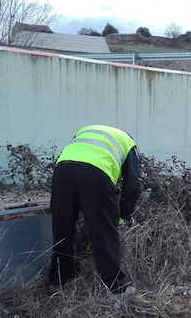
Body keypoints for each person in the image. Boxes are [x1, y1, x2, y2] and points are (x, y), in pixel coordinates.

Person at [48, 124, 141, 297]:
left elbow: (78, 165)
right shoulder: (129, 144)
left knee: (62, 228)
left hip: (62, 171)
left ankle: (58, 283)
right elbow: (133, 186)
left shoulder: (85, 130)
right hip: (95, 175)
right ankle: (117, 287)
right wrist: (121, 215)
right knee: (104, 231)